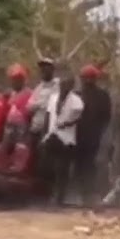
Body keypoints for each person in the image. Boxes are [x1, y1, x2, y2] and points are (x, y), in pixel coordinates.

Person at [42, 73, 85, 206]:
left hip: (66, 138)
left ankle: (60, 197)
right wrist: (44, 134)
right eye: (62, 83)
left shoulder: (76, 101)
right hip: (52, 134)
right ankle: (50, 194)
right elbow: (48, 115)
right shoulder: (53, 98)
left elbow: (78, 118)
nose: (64, 86)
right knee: (49, 166)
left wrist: (67, 123)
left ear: (71, 86)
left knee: (62, 168)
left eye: (67, 84)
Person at [76, 65, 111, 207]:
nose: (88, 80)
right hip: (80, 135)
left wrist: (102, 133)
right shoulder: (77, 95)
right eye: (86, 77)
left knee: (90, 165)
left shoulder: (102, 95)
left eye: (91, 77)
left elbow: (106, 117)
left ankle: (91, 195)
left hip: (93, 135)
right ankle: (83, 195)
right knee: (82, 165)